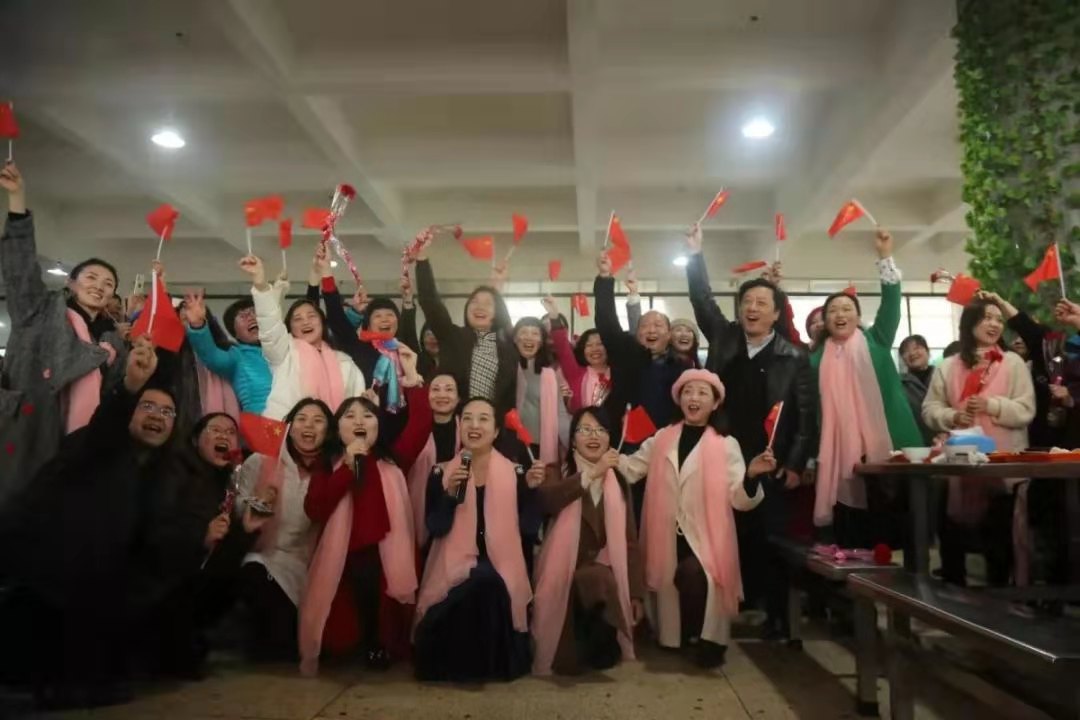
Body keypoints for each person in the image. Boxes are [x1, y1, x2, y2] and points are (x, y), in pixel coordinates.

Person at [0, 339, 189, 708]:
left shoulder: (161, 472)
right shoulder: (96, 444)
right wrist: (131, 386)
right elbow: (109, 424)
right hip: (45, 574)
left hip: (94, 584)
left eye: (167, 412)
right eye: (147, 406)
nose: (157, 416)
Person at [683, 223, 816, 640]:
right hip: (722, 455)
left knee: (770, 537)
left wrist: (795, 463)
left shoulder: (793, 356)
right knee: (726, 531)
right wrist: (695, 256)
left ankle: (776, 614)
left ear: (776, 313)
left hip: (770, 460)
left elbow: (806, 415)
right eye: (747, 302)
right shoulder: (724, 338)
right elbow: (702, 300)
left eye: (762, 303)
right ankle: (728, 607)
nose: (752, 308)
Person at [617, 369, 772, 668]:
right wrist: (605, 458)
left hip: (707, 535)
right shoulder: (662, 438)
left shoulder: (726, 444)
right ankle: (680, 635)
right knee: (670, 582)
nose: (694, 398)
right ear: (679, 399)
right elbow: (631, 468)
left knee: (694, 576)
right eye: (688, 391)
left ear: (715, 403)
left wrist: (751, 476)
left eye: (702, 392)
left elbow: (739, 499)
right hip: (666, 532)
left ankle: (704, 637)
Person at [0, 161, 128, 505]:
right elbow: (19, 268)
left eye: (108, 284)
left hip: (82, 446)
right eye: (91, 278)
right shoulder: (39, 312)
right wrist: (17, 201)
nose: (99, 286)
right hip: (29, 432)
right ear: (71, 283)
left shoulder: (112, 340)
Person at [300, 346, 431, 675]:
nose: (359, 421)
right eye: (350, 416)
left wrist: (412, 377)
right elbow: (315, 509)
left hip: (387, 554)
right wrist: (346, 467)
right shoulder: (328, 465)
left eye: (368, 415)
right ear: (338, 428)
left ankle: (379, 642)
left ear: (378, 426)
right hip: (341, 557)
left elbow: (421, 424)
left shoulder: (393, 460)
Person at [413, 397, 544, 682]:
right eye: (468, 419)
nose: (474, 425)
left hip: (502, 564)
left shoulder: (516, 473)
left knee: (488, 581)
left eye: (483, 419)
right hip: (452, 563)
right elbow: (436, 527)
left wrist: (532, 491)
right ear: (459, 427)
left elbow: (529, 528)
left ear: (496, 431)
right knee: (476, 582)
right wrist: (450, 496)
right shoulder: (441, 472)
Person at [809, 230, 922, 548]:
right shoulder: (814, 360)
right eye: (833, 310)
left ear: (858, 317)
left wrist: (885, 256)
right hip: (840, 453)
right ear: (824, 321)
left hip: (891, 444)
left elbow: (891, 303)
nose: (840, 314)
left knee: (898, 524)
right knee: (855, 531)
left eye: (847, 308)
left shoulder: (877, 340)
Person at [145, 412, 273, 676]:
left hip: (195, 574)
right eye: (216, 430)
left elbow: (223, 549)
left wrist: (246, 529)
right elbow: (155, 529)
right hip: (161, 578)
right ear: (195, 439)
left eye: (230, 433)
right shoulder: (174, 469)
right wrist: (200, 535)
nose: (224, 436)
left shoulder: (226, 482)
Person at [922, 298, 1035, 587]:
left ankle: (1000, 601)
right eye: (987, 317)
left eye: (998, 319)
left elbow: (1026, 410)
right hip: (959, 466)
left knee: (999, 540)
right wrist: (952, 416)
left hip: (1002, 465)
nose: (995, 324)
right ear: (969, 323)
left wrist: (992, 405)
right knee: (953, 538)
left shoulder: (1013, 363)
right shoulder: (948, 366)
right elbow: (930, 408)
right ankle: (953, 598)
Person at [532, 407, 644, 676]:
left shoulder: (619, 481)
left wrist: (635, 594)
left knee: (599, 578)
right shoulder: (556, 471)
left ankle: (600, 646)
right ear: (572, 439)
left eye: (601, 430)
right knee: (595, 579)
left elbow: (629, 542)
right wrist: (590, 474)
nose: (593, 436)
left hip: (604, 580)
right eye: (585, 430)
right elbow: (548, 500)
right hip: (562, 574)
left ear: (610, 438)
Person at [232, 397, 335, 661]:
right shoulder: (261, 460)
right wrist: (256, 503)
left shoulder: (332, 472)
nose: (308, 425)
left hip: (307, 566)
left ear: (328, 431)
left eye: (318, 420)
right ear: (289, 427)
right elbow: (237, 503)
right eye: (301, 419)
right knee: (256, 574)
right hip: (265, 556)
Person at [242, 255, 365, 420]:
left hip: (333, 433)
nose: (305, 322)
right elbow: (270, 327)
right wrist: (261, 285)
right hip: (288, 432)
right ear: (290, 328)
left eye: (311, 316)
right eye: (297, 319)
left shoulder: (344, 362)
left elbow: (356, 406)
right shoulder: (284, 353)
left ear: (322, 322)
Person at [413, 231, 517, 415]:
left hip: (491, 423)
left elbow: (508, 396)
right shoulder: (452, 336)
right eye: (474, 302)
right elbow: (430, 302)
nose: (479, 307)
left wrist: (496, 286)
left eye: (487, 304)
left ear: (496, 313)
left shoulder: (507, 348)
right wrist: (421, 258)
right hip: (454, 419)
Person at [312, 246, 419, 416]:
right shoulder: (357, 348)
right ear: (367, 324)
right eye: (378, 316)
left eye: (390, 315)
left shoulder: (405, 351)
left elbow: (410, 326)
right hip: (359, 421)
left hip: (400, 424)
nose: (385, 319)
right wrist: (326, 272)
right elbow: (336, 316)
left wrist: (408, 299)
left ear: (397, 323)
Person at [593, 252, 685, 435]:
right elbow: (607, 321)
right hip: (624, 439)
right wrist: (605, 277)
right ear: (637, 333)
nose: (651, 330)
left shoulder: (681, 367)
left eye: (658, 325)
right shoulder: (625, 353)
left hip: (667, 439)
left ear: (669, 335)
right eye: (645, 325)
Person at [183, 288, 271, 415]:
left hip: (295, 422)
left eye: (254, 312)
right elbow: (211, 355)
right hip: (261, 422)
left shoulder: (287, 348)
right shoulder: (237, 357)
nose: (251, 318)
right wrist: (198, 325)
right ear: (236, 334)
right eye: (243, 316)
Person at [407, 372, 462, 551]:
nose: (442, 395)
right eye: (435, 389)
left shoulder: (465, 428)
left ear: (458, 398)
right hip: (418, 499)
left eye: (449, 390)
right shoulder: (415, 426)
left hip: (452, 503)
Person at [543, 296, 616, 415]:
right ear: (583, 350)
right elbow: (562, 347)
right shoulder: (576, 373)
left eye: (599, 344)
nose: (594, 349)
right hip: (581, 425)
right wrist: (554, 316)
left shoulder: (619, 374)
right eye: (589, 345)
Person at [512, 317, 571, 463]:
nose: (529, 337)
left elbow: (560, 413)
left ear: (541, 341)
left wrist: (572, 443)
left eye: (535, 333)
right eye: (524, 332)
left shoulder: (549, 374)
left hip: (538, 445)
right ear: (514, 339)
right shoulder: (507, 369)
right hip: (509, 443)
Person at [899, 334, 937, 444]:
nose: (912, 353)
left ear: (928, 351)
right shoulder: (899, 384)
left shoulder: (942, 376)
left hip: (946, 440)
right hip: (916, 442)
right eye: (906, 351)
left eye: (917, 348)